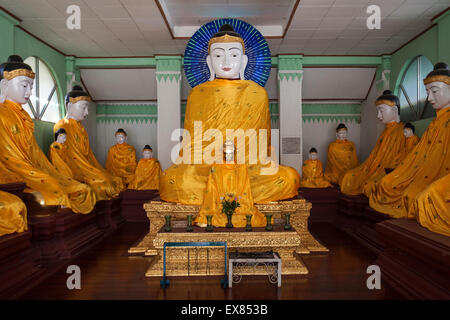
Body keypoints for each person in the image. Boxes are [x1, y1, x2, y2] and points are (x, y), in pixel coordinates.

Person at [160, 24, 300, 205]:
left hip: (250, 169)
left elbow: (262, 147)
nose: (226, 62)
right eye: (218, 55)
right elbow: (190, 148)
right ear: (209, 62)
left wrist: (251, 164)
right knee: (174, 180)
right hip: (205, 168)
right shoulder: (198, 93)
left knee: (289, 177)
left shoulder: (257, 93)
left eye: (233, 55)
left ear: (244, 61)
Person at [0, 55, 96, 214]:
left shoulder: (23, 116)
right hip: (14, 172)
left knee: (74, 187)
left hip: (33, 168)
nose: (30, 92)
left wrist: (50, 173)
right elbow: (10, 158)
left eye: (31, 86)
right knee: (56, 188)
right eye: (24, 86)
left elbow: (35, 154)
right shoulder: (3, 114)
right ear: (4, 85)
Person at [369, 63, 450, 218]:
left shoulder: (401, 131)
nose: (429, 98)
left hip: (440, 178)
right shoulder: (435, 123)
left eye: (434, 91)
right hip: (415, 172)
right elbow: (418, 157)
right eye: (427, 92)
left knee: (421, 196)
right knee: (386, 184)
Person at [54, 85, 124, 201]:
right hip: (74, 171)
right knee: (105, 184)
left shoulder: (81, 128)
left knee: (115, 180)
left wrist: (96, 170)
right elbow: (69, 156)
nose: (86, 113)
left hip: (86, 167)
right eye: (83, 108)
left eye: (87, 108)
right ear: (70, 106)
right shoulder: (62, 126)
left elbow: (89, 155)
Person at [340, 90, 406, 197]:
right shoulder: (384, 132)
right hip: (372, 168)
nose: (378, 116)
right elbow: (374, 157)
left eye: (381, 111)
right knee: (348, 176)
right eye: (378, 112)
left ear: (394, 110)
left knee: (370, 184)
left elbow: (402, 158)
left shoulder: (402, 131)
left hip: (387, 171)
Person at [194, 140, 266, 227]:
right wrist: (222, 200)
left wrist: (236, 198)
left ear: (234, 152)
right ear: (223, 153)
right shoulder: (216, 166)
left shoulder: (241, 167)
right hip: (219, 200)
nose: (228, 155)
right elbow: (212, 187)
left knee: (245, 213)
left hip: (237, 198)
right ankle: (213, 218)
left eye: (231, 152)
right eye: (226, 153)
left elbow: (245, 186)